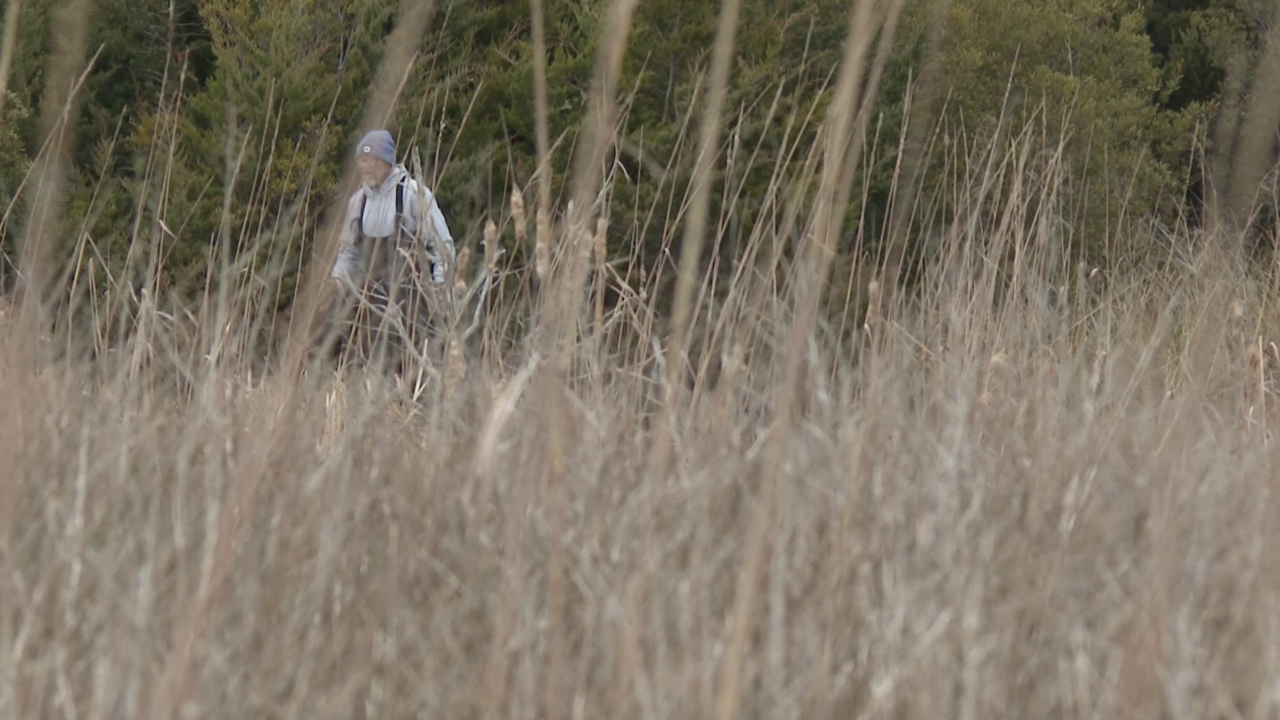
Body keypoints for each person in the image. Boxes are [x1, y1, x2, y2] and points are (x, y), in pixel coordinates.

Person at [329, 129, 455, 371]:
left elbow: (443, 247)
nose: (366, 167)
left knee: (415, 372)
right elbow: (348, 253)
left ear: (387, 161)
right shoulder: (358, 202)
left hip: (414, 307)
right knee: (370, 369)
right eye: (362, 160)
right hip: (371, 307)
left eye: (372, 160)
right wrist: (339, 282)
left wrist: (440, 288)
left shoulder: (413, 195)